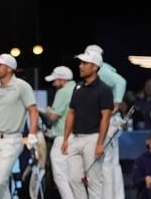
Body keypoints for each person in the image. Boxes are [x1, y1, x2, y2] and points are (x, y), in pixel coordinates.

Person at [0, 53, 39, 199]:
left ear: (9, 69)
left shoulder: (22, 87)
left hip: (11, 140)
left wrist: (32, 133)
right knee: (2, 183)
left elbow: (33, 111)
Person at [61, 50, 113, 199]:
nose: (81, 66)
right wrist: (65, 139)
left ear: (95, 67)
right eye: (81, 63)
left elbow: (106, 118)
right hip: (75, 138)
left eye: (85, 63)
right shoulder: (78, 88)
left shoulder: (104, 90)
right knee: (73, 179)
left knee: (94, 181)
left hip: (93, 138)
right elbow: (71, 113)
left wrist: (100, 143)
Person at [85, 44, 127, 199]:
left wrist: (117, 102)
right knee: (111, 163)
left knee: (106, 163)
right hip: (112, 122)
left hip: (110, 122)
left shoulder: (102, 70)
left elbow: (121, 82)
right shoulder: (105, 69)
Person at [40, 66, 76, 199]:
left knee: (60, 175)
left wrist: (44, 111)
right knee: (73, 175)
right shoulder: (77, 88)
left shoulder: (63, 91)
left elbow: (53, 116)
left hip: (62, 137)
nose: (54, 84)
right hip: (77, 136)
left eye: (55, 80)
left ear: (62, 80)